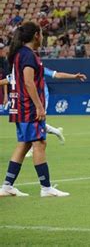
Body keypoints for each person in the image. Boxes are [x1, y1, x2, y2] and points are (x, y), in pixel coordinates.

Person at [0, 22, 69, 197]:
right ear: (36, 35)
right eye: (42, 33)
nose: (43, 37)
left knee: (24, 144)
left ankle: (7, 185)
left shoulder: (19, 54)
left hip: (20, 107)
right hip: (28, 107)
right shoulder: (28, 55)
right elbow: (29, 82)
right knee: (40, 143)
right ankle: (46, 188)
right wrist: (39, 106)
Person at [25, 67, 87, 157]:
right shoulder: (23, 68)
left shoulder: (39, 67)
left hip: (42, 99)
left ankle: (33, 148)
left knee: (35, 121)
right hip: (30, 99)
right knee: (33, 122)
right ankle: (57, 131)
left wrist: (74, 76)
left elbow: (57, 75)